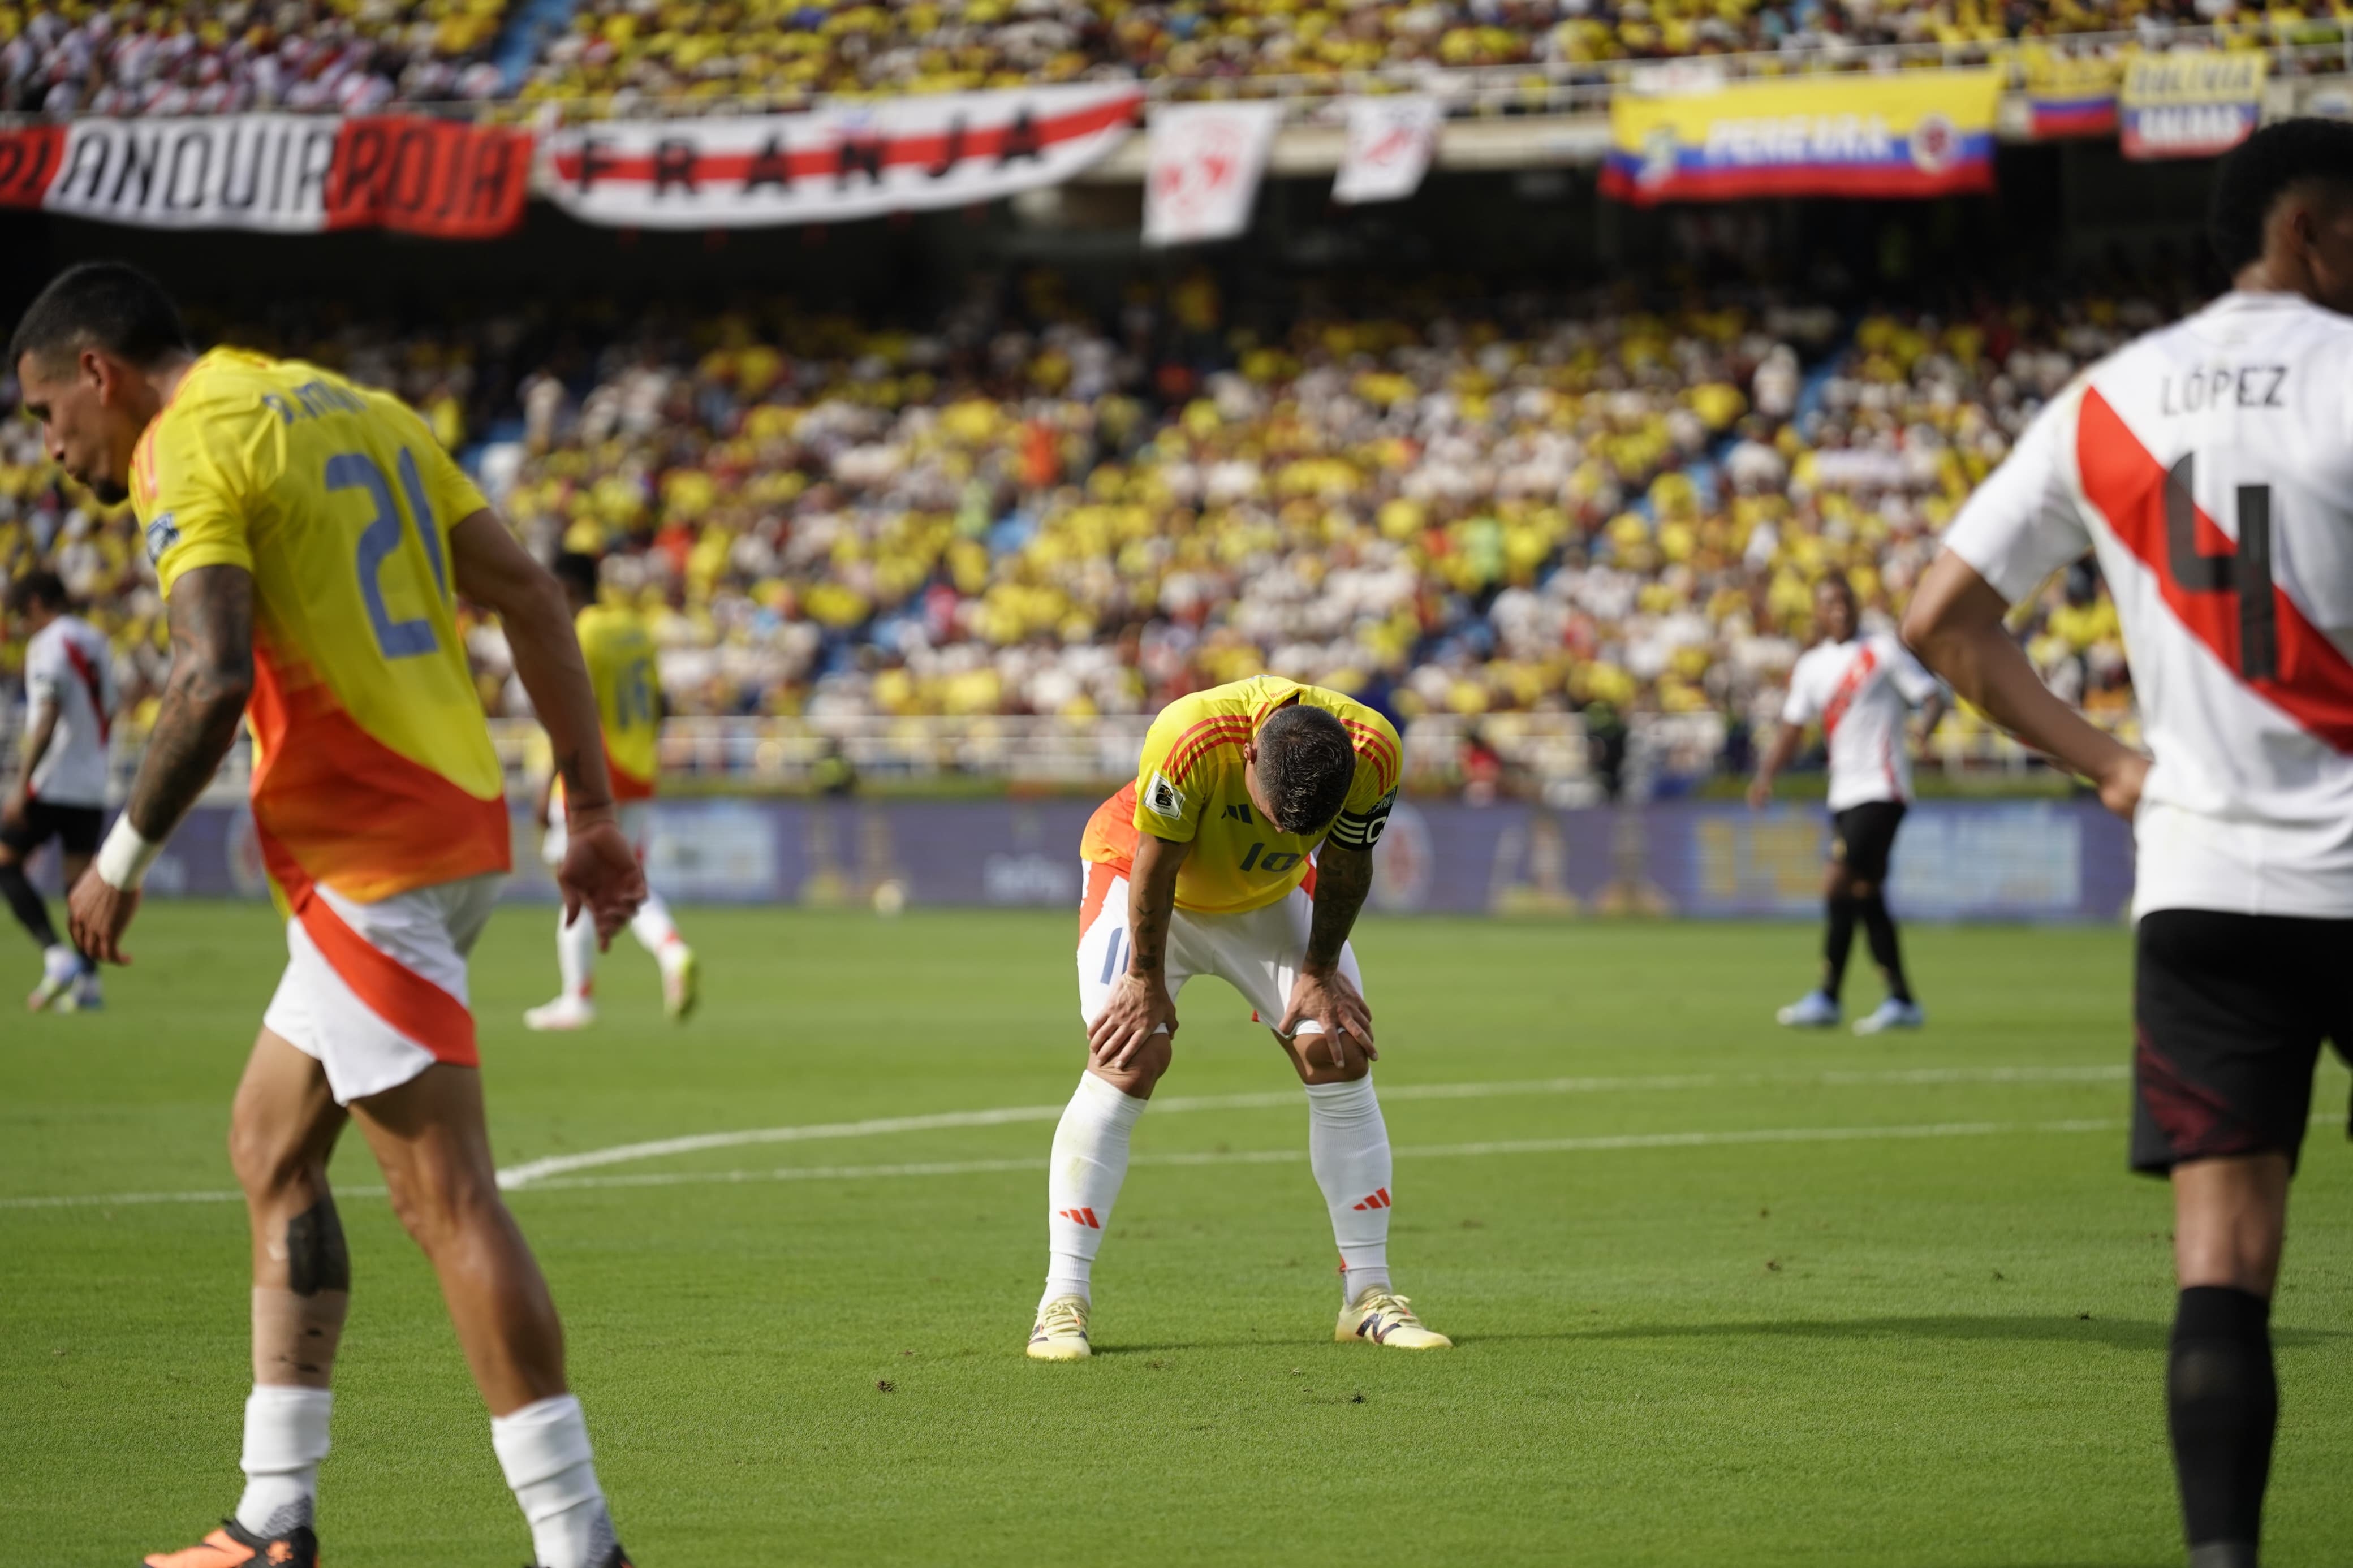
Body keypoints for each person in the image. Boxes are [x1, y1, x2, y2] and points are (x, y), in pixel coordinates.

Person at [11, 260, 648, 1568]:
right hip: (447, 829)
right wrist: (585, 812)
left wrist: (120, 855)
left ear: (98, 372)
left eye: (40, 415)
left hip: (373, 853)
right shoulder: (368, 415)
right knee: (269, 1144)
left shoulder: (188, 443)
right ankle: (272, 1519)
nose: (49, 446)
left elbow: (207, 671)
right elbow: (530, 596)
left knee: (448, 1201)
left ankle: (581, 1548)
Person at [1902, 118, 2353, 1568]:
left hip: (2204, 883)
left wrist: (2110, 766)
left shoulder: (2108, 399)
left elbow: (1942, 625)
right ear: (2309, 234)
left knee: (2220, 1267)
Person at [1027, 674, 1450, 1360]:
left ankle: (1368, 1296)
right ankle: (1061, 1300)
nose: (1285, 830)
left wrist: (1318, 973)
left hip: (1267, 895)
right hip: (1145, 882)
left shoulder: (1373, 749)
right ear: (1249, 756)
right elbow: (1155, 865)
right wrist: (1143, 978)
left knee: (1336, 1046)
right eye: (1276, 815)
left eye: (1299, 826)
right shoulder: (1189, 735)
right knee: (1129, 1055)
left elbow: (1346, 863)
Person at [1748, 573, 1946, 1035]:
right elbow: (1793, 729)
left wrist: (1926, 726)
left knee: (1837, 881)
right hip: (1843, 792)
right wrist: (1766, 775)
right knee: (1863, 892)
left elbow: (1932, 696)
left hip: (1883, 787)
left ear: (1856, 605)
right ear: (1816, 611)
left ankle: (1828, 996)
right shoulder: (1812, 666)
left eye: (1845, 599)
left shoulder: (1882, 651)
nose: (1838, 608)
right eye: (1829, 601)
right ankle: (1901, 1000)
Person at [524, 551, 697, 1031]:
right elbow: (661, 703)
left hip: (592, 774)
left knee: (577, 882)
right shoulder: (636, 628)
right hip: (637, 769)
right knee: (623, 878)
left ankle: (577, 999)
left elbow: (568, 709)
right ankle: (672, 951)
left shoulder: (583, 632)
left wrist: (549, 783)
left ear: (567, 588)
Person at [2, 567, 114, 1012]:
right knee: (79, 889)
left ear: (35, 605)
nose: (21, 626)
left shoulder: (49, 643)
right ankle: (89, 983)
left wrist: (21, 784)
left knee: (5, 863)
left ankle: (56, 955)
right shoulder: (98, 641)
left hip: (52, 779)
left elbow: (46, 717)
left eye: (20, 615)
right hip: (91, 780)